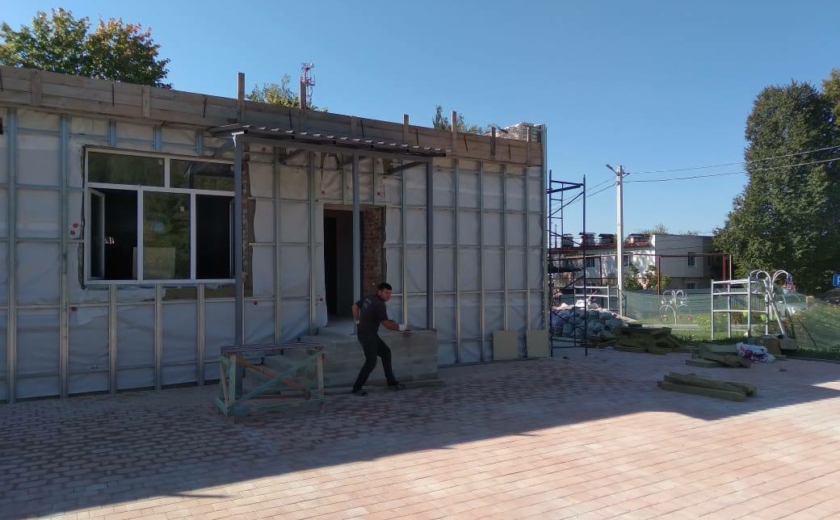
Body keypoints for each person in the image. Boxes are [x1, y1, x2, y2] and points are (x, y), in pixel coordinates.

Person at [350, 282, 408, 396]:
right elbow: (387, 324)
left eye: (390, 293)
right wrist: (400, 327)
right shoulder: (379, 305)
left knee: (386, 352)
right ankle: (356, 388)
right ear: (379, 292)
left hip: (367, 334)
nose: (388, 296)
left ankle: (391, 382)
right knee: (371, 362)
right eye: (386, 293)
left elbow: (354, 307)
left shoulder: (369, 298)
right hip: (368, 336)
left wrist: (357, 321)